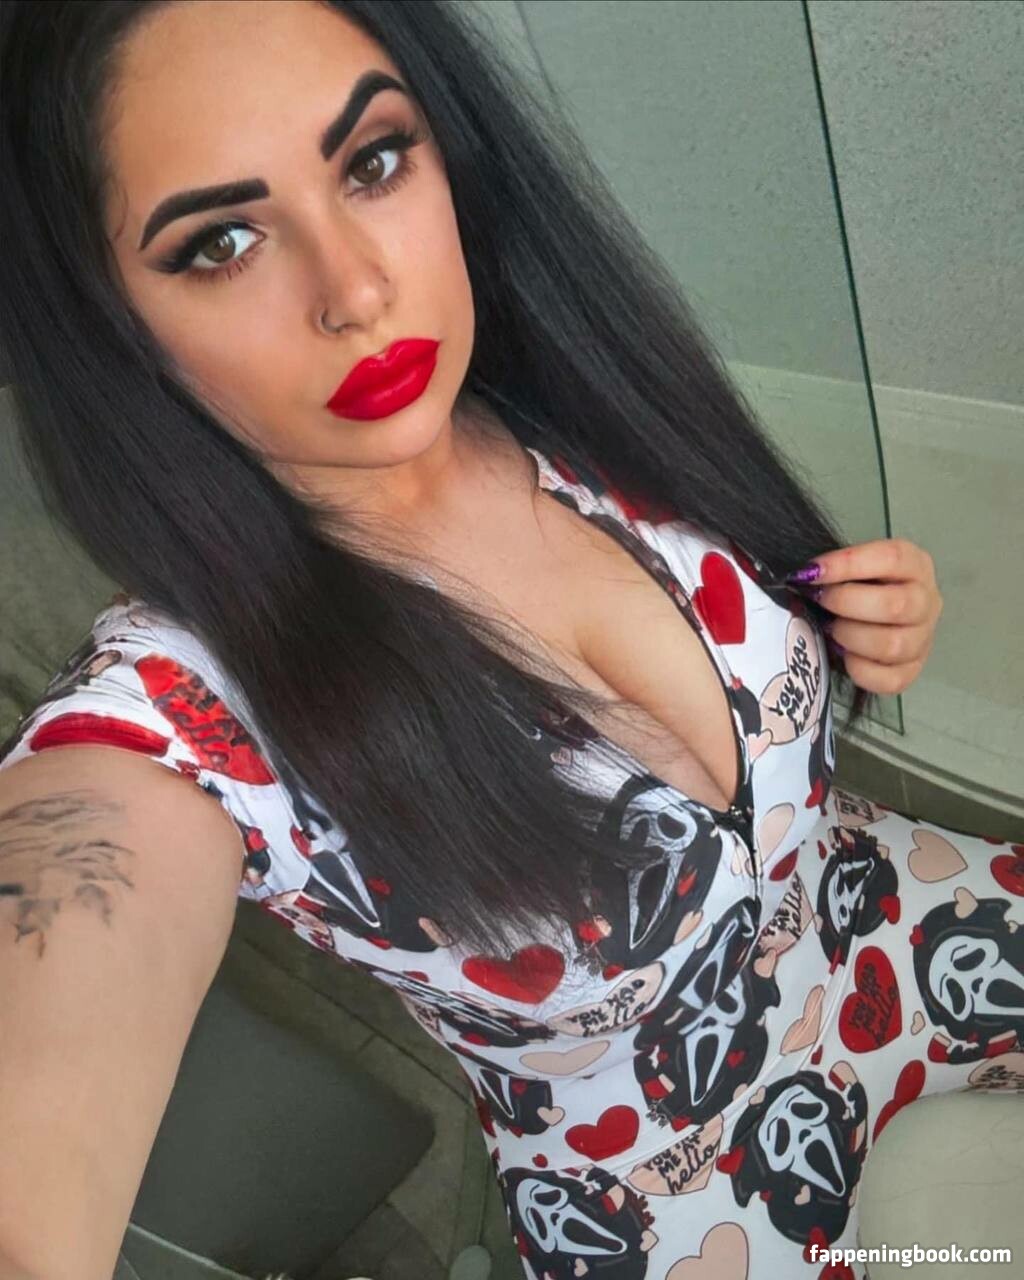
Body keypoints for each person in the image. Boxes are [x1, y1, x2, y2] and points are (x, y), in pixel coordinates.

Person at [0, 3, 1019, 1278]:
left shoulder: (573, 389)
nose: (358, 289)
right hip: (661, 1173)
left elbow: (765, 615)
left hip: (872, 907)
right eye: (222, 241)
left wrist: (864, 622)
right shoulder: (181, 707)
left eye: (373, 161)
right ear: (104, 321)